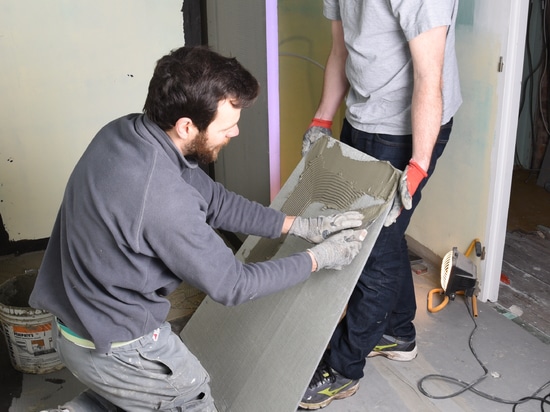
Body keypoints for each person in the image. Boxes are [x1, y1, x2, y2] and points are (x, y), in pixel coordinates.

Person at [29, 46, 369, 412]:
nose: (235, 132)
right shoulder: (162, 198)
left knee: (136, 398)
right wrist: (318, 258)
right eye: (227, 126)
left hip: (75, 325)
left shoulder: (126, 132)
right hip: (118, 345)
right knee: (189, 398)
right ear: (187, 126)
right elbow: (234, 285)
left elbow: (218, 203)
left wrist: (302, 225)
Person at [299, 0, 462, 409]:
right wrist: (322, 119)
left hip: (406, 130)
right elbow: (341, 51)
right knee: (384, 241)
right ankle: (397, 332)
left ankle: (342, 368)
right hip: (363, 118)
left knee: (370, 249)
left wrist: (418, 167)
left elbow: (430, 77)